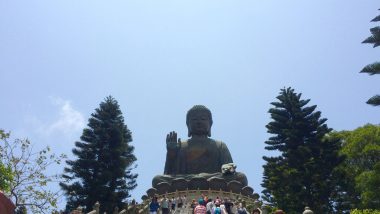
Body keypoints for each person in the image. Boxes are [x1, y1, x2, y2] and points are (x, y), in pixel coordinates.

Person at [153, 105, 248, 187]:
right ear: (188, 125)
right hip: (186, 180)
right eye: (194, 119)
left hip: (213, 179)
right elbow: (168, 174)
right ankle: (200, 180)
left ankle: (201, 180)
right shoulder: (181, 145)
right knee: (157, 179)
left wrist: (224, 171)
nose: (199, 122)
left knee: (241, 177)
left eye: (203, 119)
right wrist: (171, 154)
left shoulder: (220, 145)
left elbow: (230, 170)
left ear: (210, 124)